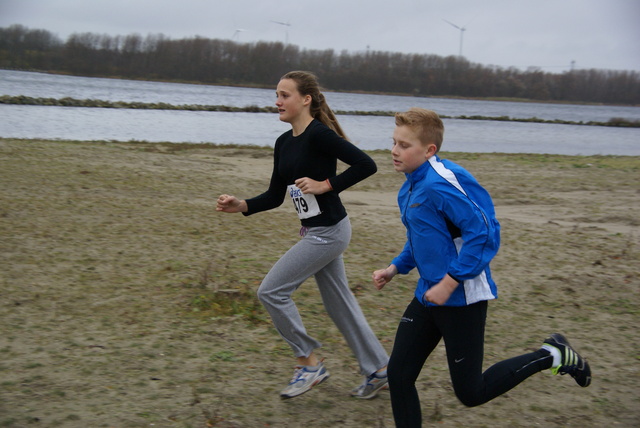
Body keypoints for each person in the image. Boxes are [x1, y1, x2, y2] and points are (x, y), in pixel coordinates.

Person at [372, 108, 592, 427]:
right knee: (399, 375)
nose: (394, 151)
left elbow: (486, 231)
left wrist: (451, 280)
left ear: (429, 149)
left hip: (462, 297)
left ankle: (552, 354)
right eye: (393, 142)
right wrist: (395, 267)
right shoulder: (408, 188)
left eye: (404, 145)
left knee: (471, 392)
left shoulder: (442, 181)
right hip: (429, 295)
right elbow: (425, 238)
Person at [216, 71, 389, 399]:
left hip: (330, 232)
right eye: (276, 95)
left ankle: (309, 364)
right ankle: (379, 369)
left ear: (305, 99)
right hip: (315, 230)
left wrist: (326, 185)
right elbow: (273, 196)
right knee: (341, 305)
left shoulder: (320, 135)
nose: (277, 101)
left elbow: (366, 164)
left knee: (271, 292)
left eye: (284, 95)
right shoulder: (283, 142)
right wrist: (240, 205)